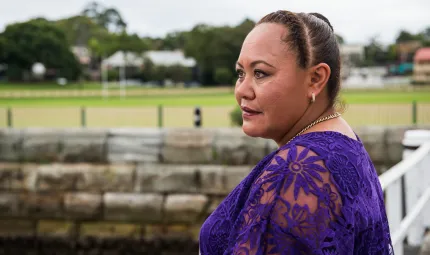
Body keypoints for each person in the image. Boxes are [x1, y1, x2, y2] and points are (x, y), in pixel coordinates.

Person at [199, 10, 394, 255]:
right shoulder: (343, 143)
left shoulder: (299, 168)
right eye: (241, 73)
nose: (242, 90)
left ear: (315, 78)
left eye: (260, 73)